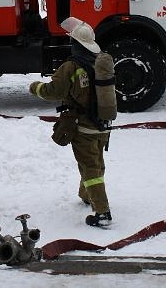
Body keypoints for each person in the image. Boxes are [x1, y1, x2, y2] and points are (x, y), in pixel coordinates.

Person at [28, 17, 112, 227]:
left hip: (82, 126)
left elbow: (53, 92)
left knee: (90, 167)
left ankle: (102, 213)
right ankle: (87, 195)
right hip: (102, 126)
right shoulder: (100, 63)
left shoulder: (71, 67)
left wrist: (35, 87)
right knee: (96, 162)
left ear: (75, 44)